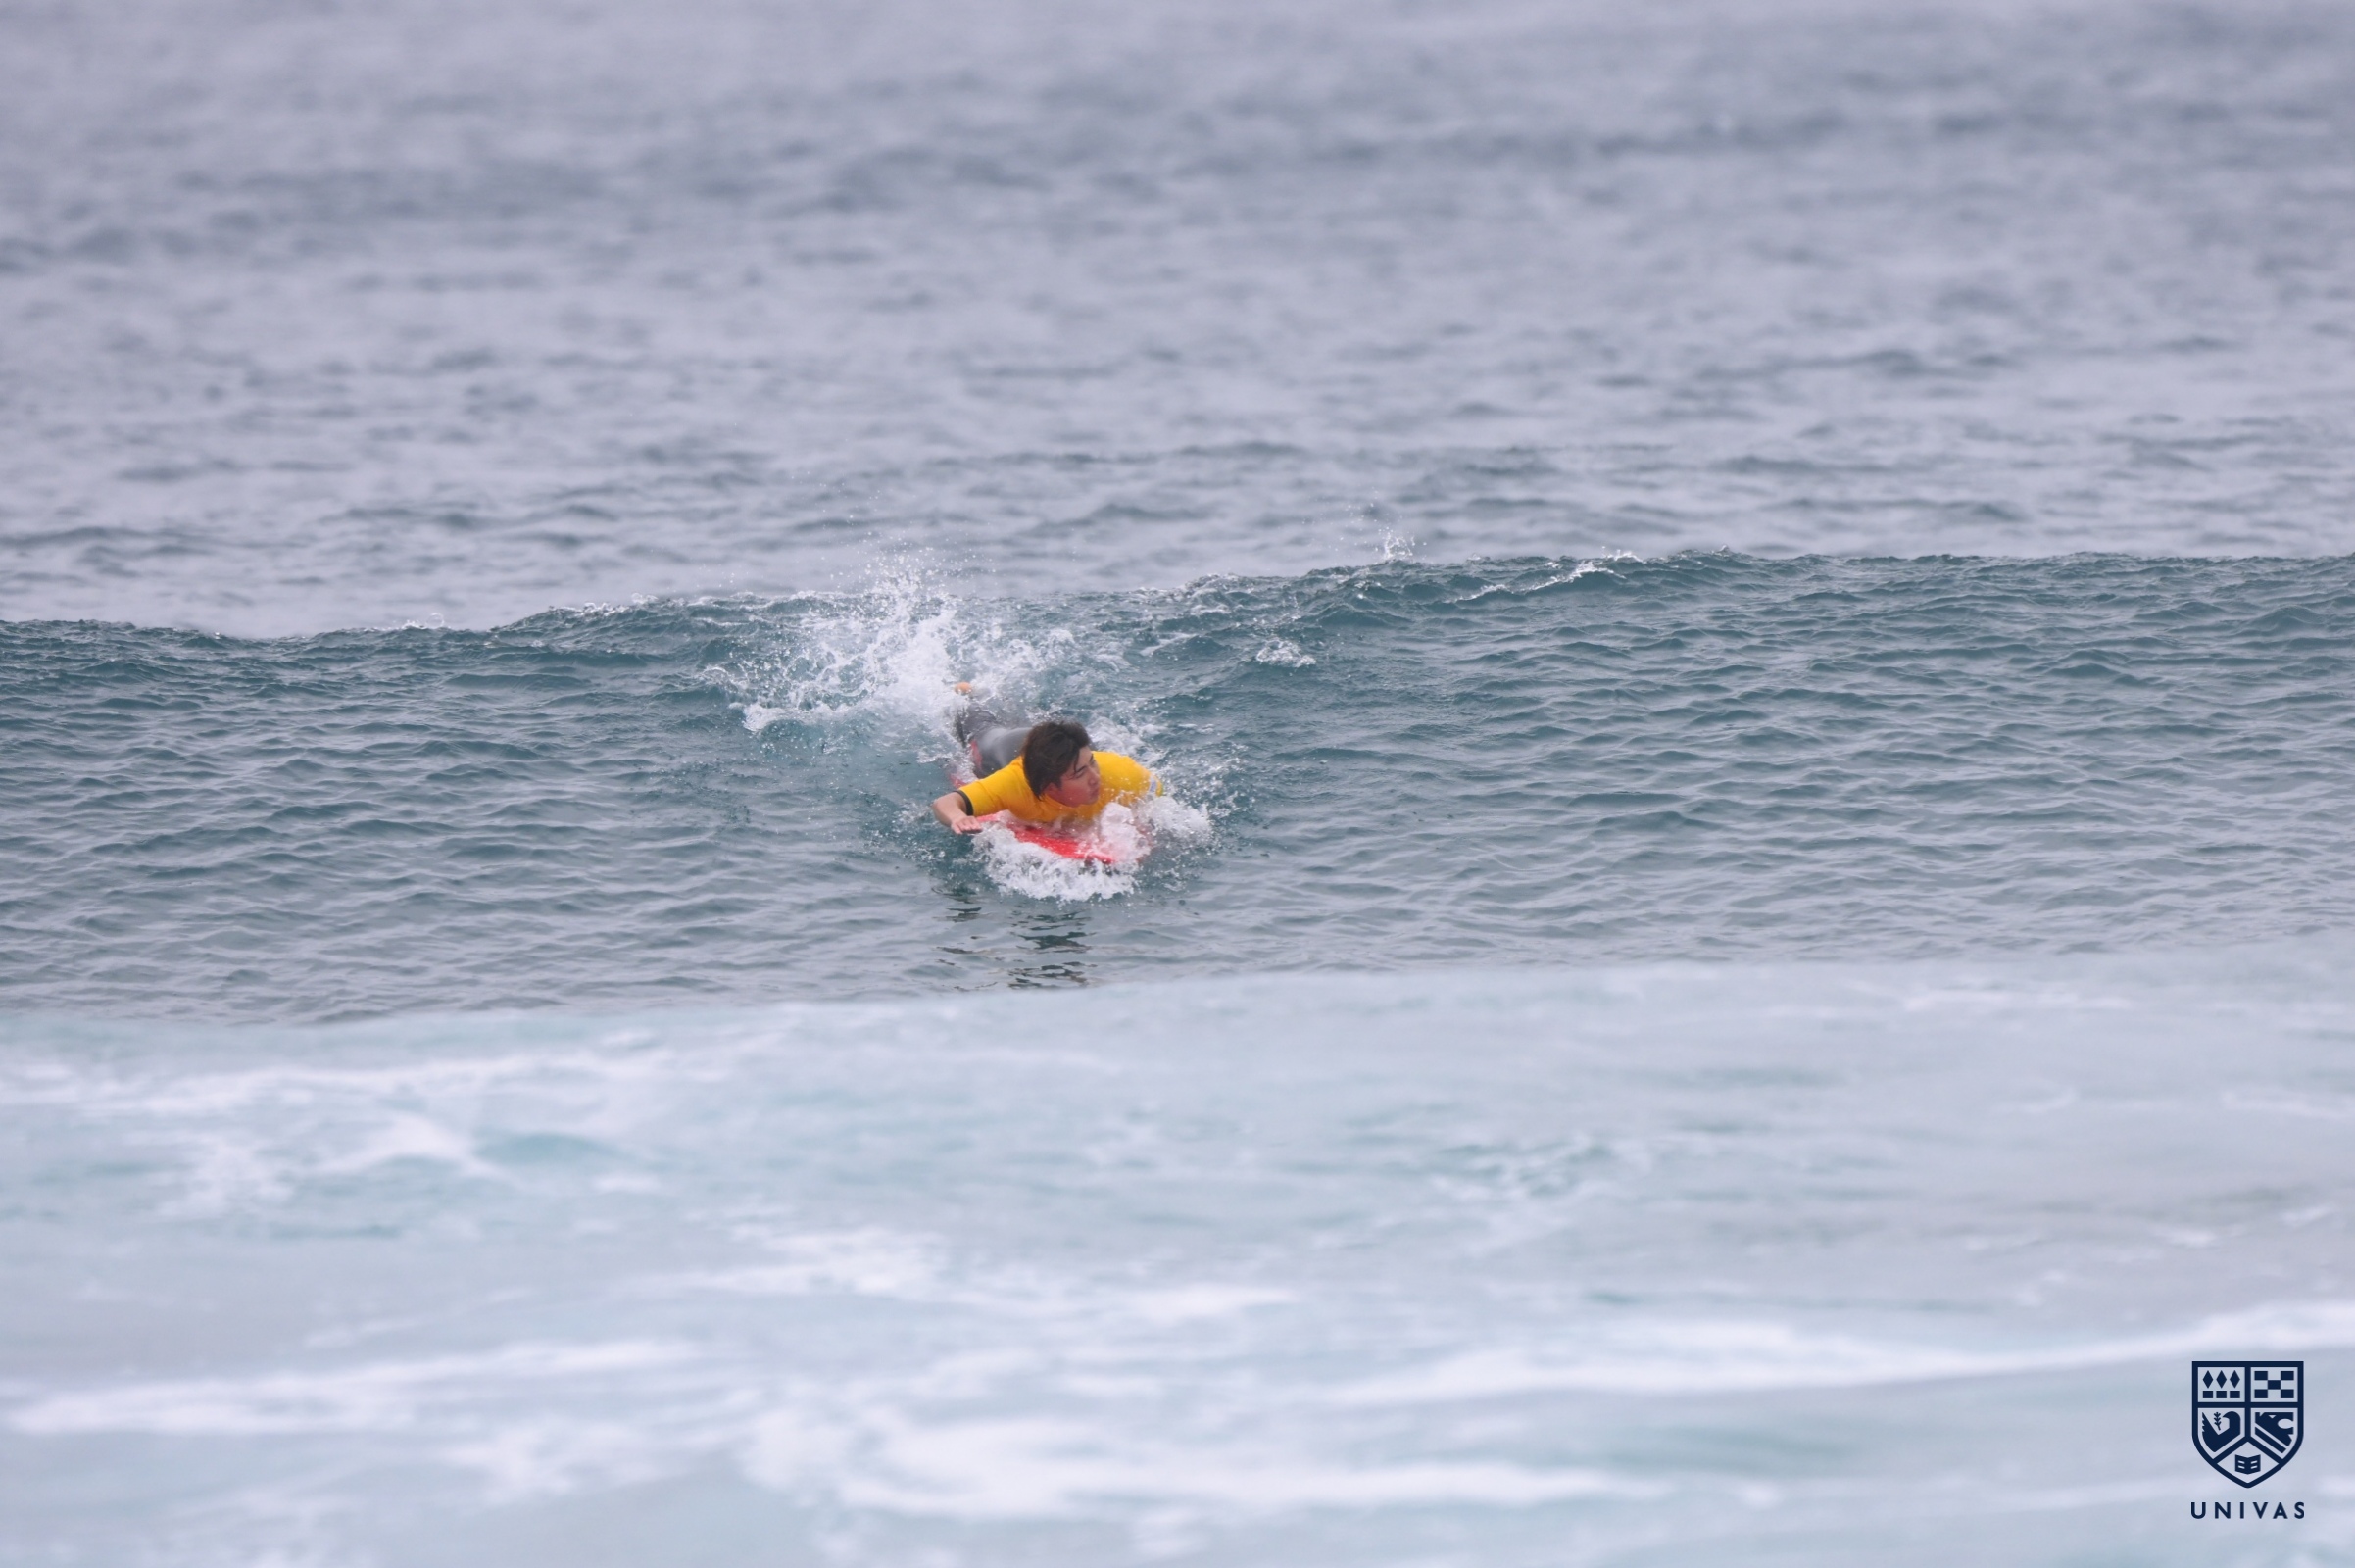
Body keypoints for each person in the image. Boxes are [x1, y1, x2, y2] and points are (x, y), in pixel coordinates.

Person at [931, 696, 1156, 836]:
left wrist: (1141, 829)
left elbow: (1158, 803)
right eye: (1080, 774)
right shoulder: (1013, 785)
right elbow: (946, 803)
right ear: (1049, 787)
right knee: (978, 726)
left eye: (1092, 764)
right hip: (1004, 746)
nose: (1095, 778)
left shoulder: (1124, 775)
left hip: (1055, 749)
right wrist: (958, 818)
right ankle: (968, 693)